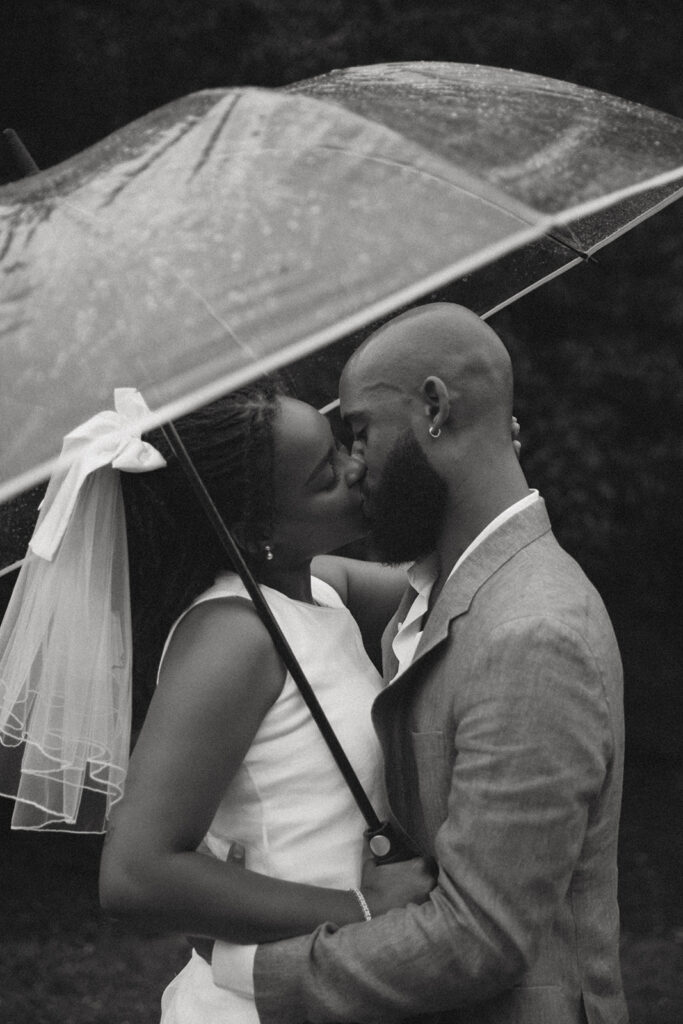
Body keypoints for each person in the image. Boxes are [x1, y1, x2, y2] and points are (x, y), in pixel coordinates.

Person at [238, 303, 629, 1024]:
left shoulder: (532, 633)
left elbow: (478, 938)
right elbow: (316, 579)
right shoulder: (445, 588)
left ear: (433, 407)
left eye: (359, 432)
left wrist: (255, 979)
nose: (353, 466)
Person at [0, 380, 435, 1023]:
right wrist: (361, 911)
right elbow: (135, 873)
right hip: (266, 1003)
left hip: (340, 986)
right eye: (325, 477)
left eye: (343, 445)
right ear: (255, 531)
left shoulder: (319, 587)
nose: (355, 467)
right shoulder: (233, 638)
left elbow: (449, 587)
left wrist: (468, 464)